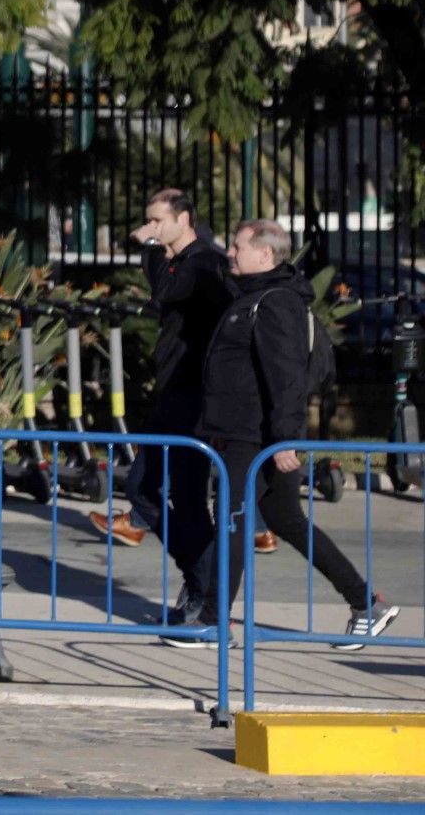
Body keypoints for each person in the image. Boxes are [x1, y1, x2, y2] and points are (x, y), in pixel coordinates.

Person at [191, 220, 399, 648]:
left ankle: (214, 620)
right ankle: (366, 604)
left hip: (255, 436)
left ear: (265, 254)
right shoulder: (251, 296)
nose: (230, 252)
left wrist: (286, 437)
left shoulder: (274, 302)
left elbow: (285, 376)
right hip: (249, 432)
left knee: (231, 518)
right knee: (285, 519)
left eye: (237, 246)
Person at [93, 189, 228, 614]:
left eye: (158, 221)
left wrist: (149, 248)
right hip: (171, 392)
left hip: (196, 396)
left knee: (188, 497)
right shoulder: (180, 260)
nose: (150, 229)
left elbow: (167, 292)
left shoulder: (204, 262)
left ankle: (204, 592)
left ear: (183, 218)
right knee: (142, 488)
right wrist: (155, 249)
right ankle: (196, 574)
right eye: (148, 221)